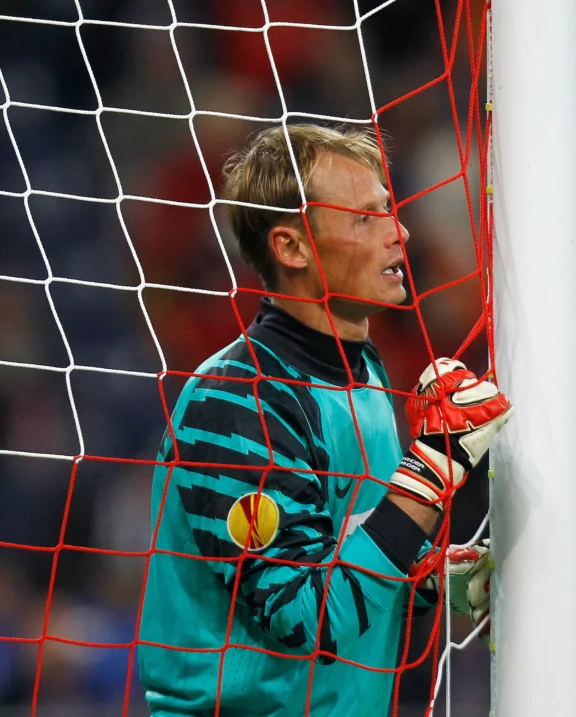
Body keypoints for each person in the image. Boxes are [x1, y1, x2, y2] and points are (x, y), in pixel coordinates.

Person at [137, 124, 512, 716]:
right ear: (291, 248)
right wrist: (433, 466)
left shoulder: (362, 375)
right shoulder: (237, 400)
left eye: (388, 208)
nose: (400, 231)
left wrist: (429, 581)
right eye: (365, 218)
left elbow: (334, 549)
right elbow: (304, 620)